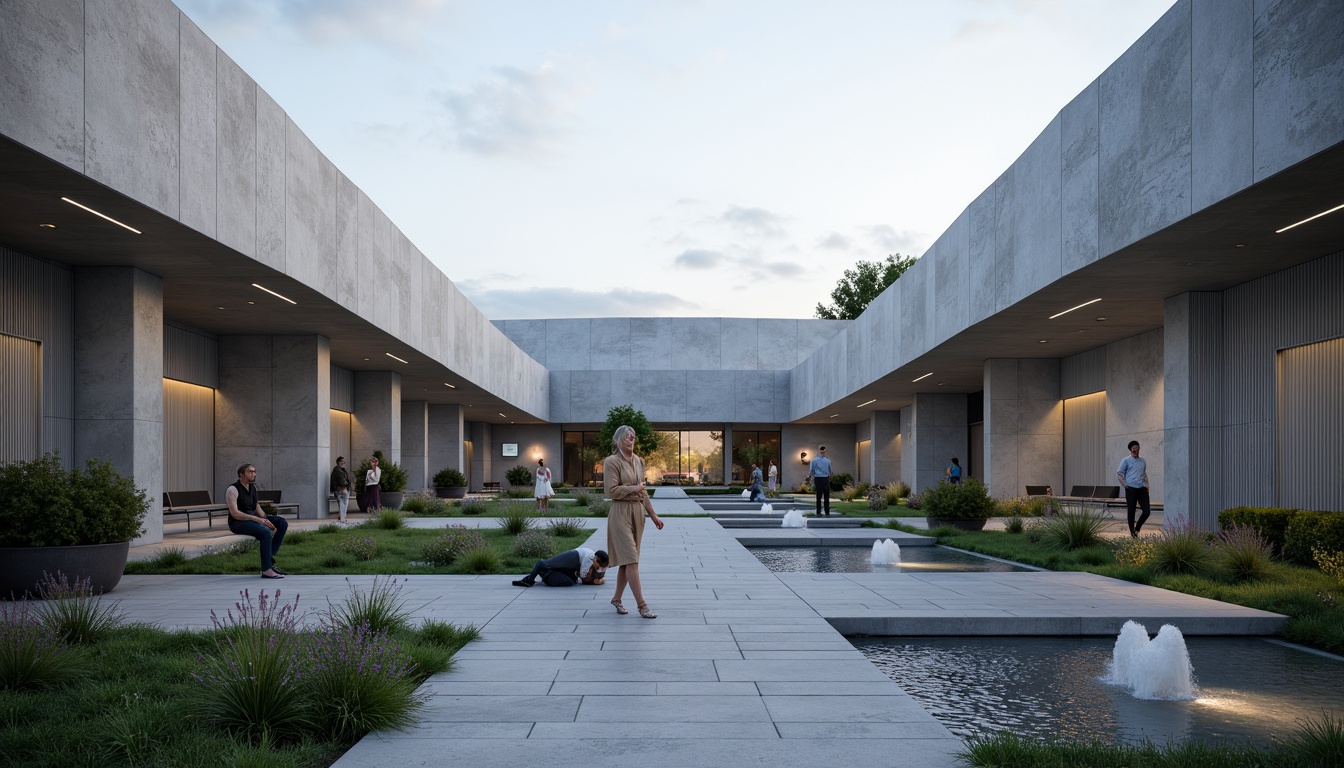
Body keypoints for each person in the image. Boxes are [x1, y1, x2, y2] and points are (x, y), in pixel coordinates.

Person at [605, 424, 664, 619]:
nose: (632, 440)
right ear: (619, 439)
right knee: (631, 559)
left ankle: (617, 599)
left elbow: (643, 491)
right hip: (620, 512)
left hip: (637, 513)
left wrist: (653, 515)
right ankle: (642, 605)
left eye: (634, 437)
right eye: (628, 437)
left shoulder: (639, 461)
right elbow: (611, 491)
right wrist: (634, 488)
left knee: (628, 561)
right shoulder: (612, 461)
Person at [225, 463, 288, 579]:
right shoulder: (232, 489)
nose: (253, 474)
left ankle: (269, 558)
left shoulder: (253, 487)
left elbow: (256, 506)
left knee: (282, 523)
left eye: (254, 471)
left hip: (254, 519)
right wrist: (259, 520)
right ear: (241, 474)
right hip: (238, 523)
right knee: (265, 532)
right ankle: (267, 570)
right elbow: (235, 513)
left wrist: (265, 518)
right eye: (250, 472)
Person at [513, 547, 608, 587]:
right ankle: (530, 579)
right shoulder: (589, 559)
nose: (598, 565)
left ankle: (544, 573)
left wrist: (597, 579)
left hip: (574, 562)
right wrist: (597, 581)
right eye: (598, 561)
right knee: (547, 563)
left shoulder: (595, 564)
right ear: (595, 557)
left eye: (601, 565)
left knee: (570, 582)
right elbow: (583, 579)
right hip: (574, 557)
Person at [1117, 440, 1151, 537]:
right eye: (1134, 447)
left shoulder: (1142, 461)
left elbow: (1144, 474)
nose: (1136, 449)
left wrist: (1147, 486)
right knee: (1131, 510)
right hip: (1130, 488)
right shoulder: (1126, 460)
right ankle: (1132, 532)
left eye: (1137, 447)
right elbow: (1119, 474)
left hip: (1142, 488)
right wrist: (1125, 486)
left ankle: (1137, 528)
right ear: (1131, 449)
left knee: (1147, 511)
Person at [807, 445, 833, 516]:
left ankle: (818, 512)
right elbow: (830, 471)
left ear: (819, 452)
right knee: (826, 496)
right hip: (825, 478)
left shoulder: (814, 460)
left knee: (818, 496)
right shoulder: (828, 461)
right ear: (824, 452)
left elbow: (811, 470)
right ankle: (827, 512)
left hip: (818, 478)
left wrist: (810, 477)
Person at [330, 456, 351, 523]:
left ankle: (342, 517)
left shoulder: (339, 470)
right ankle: (343, 518)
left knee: (342, 503)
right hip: (341, 489)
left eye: (343, 461)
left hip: (339, 489)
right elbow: (342, 481)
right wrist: (344, 487)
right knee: (343, 504)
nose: (343, 462)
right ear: (338, 462)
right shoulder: (338, 471)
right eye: (341, 461)